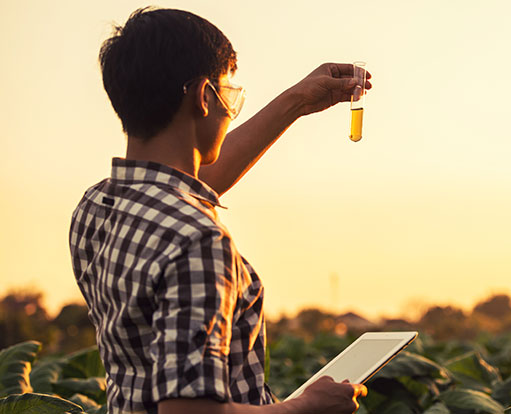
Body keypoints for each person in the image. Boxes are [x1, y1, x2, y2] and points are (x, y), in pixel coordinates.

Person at [69, 7, 371, 414]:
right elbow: (191, 412)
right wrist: (303, 407)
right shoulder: (197, 240)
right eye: (230, 96)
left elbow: (187, 183)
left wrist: (297, 101)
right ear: (204, 96)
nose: (231, 111)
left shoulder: (97, 205)